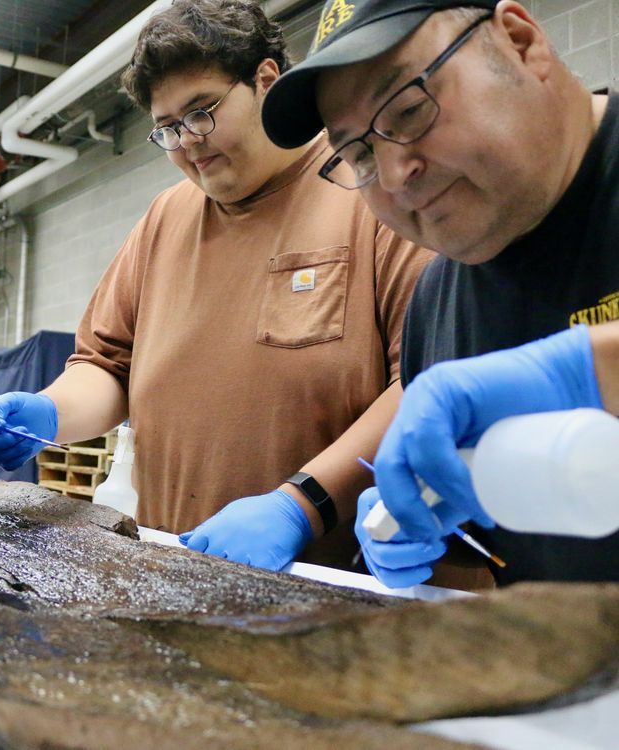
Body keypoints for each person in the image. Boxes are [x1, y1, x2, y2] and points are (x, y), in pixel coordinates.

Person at [0, 0, 433, 573]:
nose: (187, 141)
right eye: (166, 128)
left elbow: (426, 382)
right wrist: (47, 411)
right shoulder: (165, 219)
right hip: (176, 569)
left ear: (265, 80)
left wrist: (302, 504)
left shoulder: (365, 189)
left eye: (201, 112)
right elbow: (109, 365)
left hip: (334, 581)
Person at [261, 0, 619, 585]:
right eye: (360, 155)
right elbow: (521, 538)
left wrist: (584, 371)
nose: (396, 171)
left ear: (520, 41)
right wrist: (431, 528)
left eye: (408, 109)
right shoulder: (435, 305)